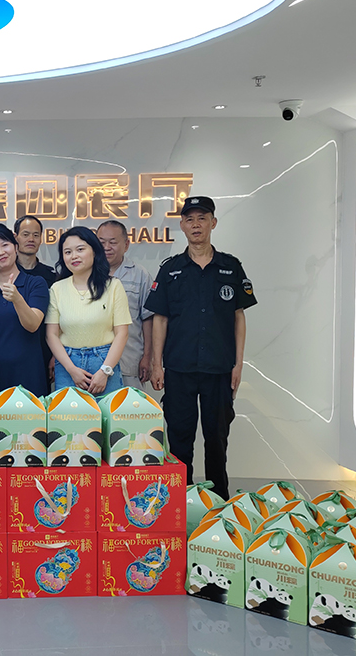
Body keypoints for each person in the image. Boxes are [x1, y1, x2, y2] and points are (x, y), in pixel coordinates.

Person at [146, 196, 257, 501]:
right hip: (179, 368)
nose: (196, 225)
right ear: (182, 226)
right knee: (180, 440)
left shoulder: (231, 267)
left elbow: (238, 317)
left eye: (202, 218)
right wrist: (157, 364)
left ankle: (218, 502)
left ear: (213, 223)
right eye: (190, 219)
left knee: (217, 440)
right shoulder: (171, 270)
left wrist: (238, 364)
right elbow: (160, 319)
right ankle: (181, 501)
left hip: (219, 369)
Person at [45, 227, 130, 395]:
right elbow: (51, 335)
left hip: (105, 363)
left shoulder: (113, 286)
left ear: (94, 251)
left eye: (80, 249)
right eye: (67, 252)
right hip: (68, 364)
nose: (74, 256)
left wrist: (105, 371)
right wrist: (71, 370)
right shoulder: (57, 289)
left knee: (106, 412)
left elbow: (122, 333)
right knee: (69, 412)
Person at [0, 223, 50, 399]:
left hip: (30, 372)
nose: (0, 252)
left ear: (16, 247)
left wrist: (17, 299)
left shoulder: (35, 284)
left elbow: (32, 325)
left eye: (5, 245)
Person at [98, 220, 154, 391]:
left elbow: (148, 319)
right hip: (93, 364)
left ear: (126, 245)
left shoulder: (140, 275)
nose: (107, 247)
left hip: (129, 362)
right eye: (101, 242)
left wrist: (148, 357)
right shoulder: (86, 273)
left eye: (113, 242)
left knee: (129, 407)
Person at [14, 215, 57, 285]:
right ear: (15, 238)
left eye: (36, 235)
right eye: (25, 235)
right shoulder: (5, 272)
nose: (31, 239)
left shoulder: (50, 275)